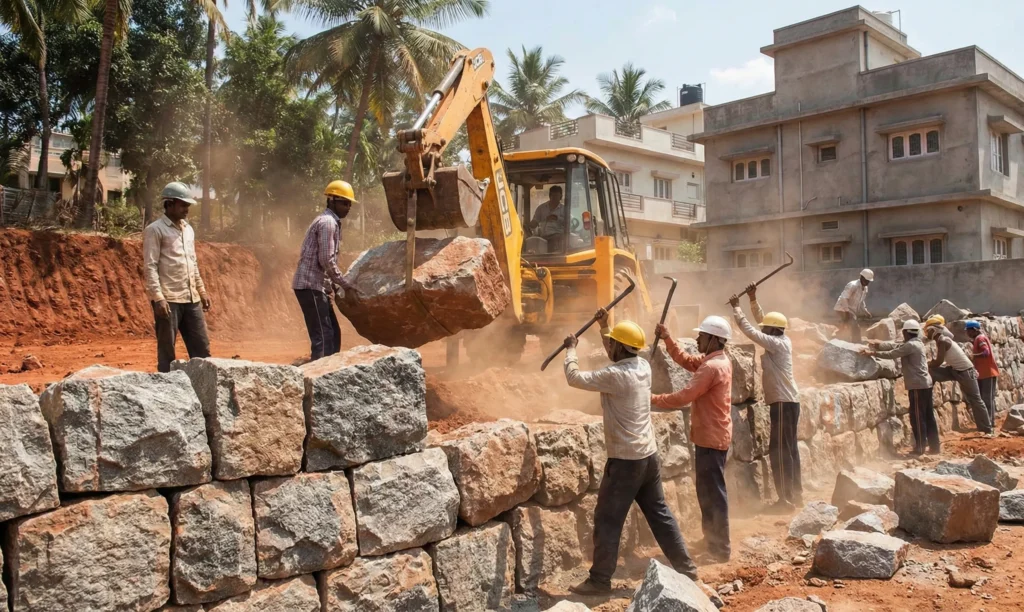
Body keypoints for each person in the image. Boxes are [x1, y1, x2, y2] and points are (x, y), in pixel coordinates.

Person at [562, 310, 698, 595]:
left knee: (608, 519)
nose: (609, 346)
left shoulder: (615, 375)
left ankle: (600, 580)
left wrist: (571, 351)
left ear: (620, 347)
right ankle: (686, 569)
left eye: (612, 342)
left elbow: (574, 378)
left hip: (625, 462)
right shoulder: (642, 366)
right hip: (648, 457)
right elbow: (616, 355)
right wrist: (604, 327)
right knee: (660, 513)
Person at [651, 316, 733, 562]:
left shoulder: (711, 368)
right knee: (707, 492)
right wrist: (667, 338)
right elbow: (685, 361)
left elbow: (685, 396)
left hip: (711, 437)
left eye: (702, 335)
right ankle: (713, 539)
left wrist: (652, 399)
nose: (698, 338)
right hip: (711, 436)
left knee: (713, 494)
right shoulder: (716, 361)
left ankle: (720, 549)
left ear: (714, 339)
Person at [728, 284, 802, 509]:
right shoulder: (781, 338)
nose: (765, 330)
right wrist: (752, 298)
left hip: (782, 402)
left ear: (772, 331)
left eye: (767, 329)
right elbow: (764, 322)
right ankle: (795, 494)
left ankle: (785, 499)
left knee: (779, 450)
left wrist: (737, 309)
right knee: (789, 449)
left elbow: (752, 332)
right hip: (789, 402)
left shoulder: (776, 343)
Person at [143, 182, 212, 373]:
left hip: (192, 299)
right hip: (169, 300)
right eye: (183, 205)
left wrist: (202, 290)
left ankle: (204, 391)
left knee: (202, 351)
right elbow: (150, 266)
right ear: (170, 204)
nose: (186, 209)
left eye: (188, 206)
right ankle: (166, 394)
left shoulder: (188, 230)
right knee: (167, 353)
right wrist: (158, 298)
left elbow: (193, 262)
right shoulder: (155, 230)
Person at [293, 180, 356, 361]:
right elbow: (326, 260)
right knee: (323, 336)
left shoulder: (331, 222)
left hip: (316, 285)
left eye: (349, 203)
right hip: (310, 284)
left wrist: (331, 287)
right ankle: (318, 379)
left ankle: (329, 373)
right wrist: (346, 285)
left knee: (333, 333)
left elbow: (326, 262)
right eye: (344, 202)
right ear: (331, 200)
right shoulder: (328, 223)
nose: (348, 207)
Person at [864, 320, 937, 454]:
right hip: (925, 383)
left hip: (917, 385)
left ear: (906, 332)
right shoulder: (916, 343)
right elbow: (896, 345)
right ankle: (935, 447)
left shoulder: (910, 346)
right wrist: (879, 345)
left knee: (917, 417)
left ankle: (920, 447)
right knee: (928, 416)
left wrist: (873, 353)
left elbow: (893, 353)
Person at [924, 317, 994, 435]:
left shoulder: (943, 341)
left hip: (966, 372)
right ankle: (926, 396)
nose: (927, 333)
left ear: (935, 330)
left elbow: (938, 362)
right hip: (955, 370)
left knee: (976, 400)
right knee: (932, 372)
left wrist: (925, 364)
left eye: (929, 330)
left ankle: (987, 429)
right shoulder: (941, 340)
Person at [965, 320, 999, 429]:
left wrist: (973, 355)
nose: (967, 333)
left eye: (969, 331)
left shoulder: (980, 339)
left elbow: (986, 352)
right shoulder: (978, 338)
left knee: (986, 399)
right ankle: (989, 422)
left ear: (974, 330)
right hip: (985, 373)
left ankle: (988, 423)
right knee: (987, 398)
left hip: (987, 373)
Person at [834, 269, 873, 342]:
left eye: (869, 281)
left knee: (847, 327)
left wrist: (866, 312)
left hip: (850, 311)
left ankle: (838, 337)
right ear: (861, 277)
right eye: (866, 280)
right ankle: (857, 344)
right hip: (842, 308)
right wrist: (846, 311)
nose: (867, 283)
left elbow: (861, 301)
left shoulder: (865, 288)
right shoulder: (852, 285)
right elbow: (843, 298)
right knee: (855, 327)